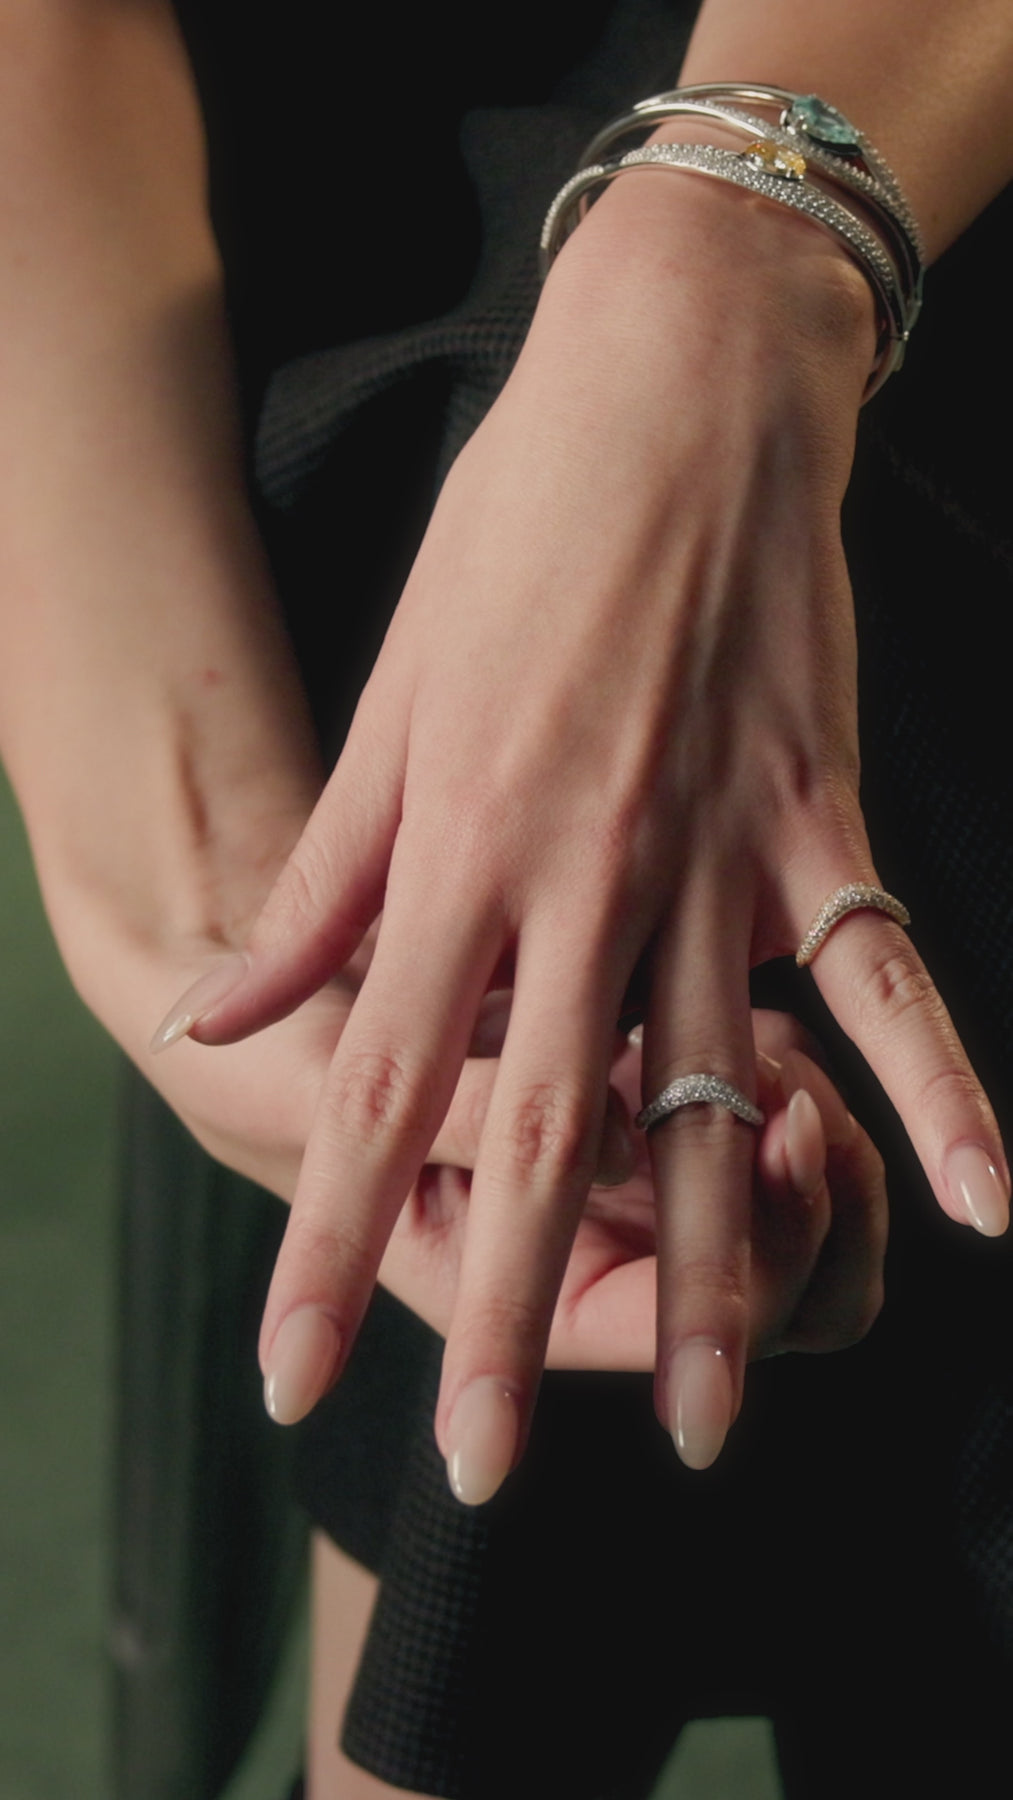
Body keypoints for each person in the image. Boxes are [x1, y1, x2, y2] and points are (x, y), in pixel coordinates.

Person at [1, 1, 1011, 1797]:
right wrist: (214, 922)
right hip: (322, 148)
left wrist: (725, 262)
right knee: (538, 817)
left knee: (749, 593)